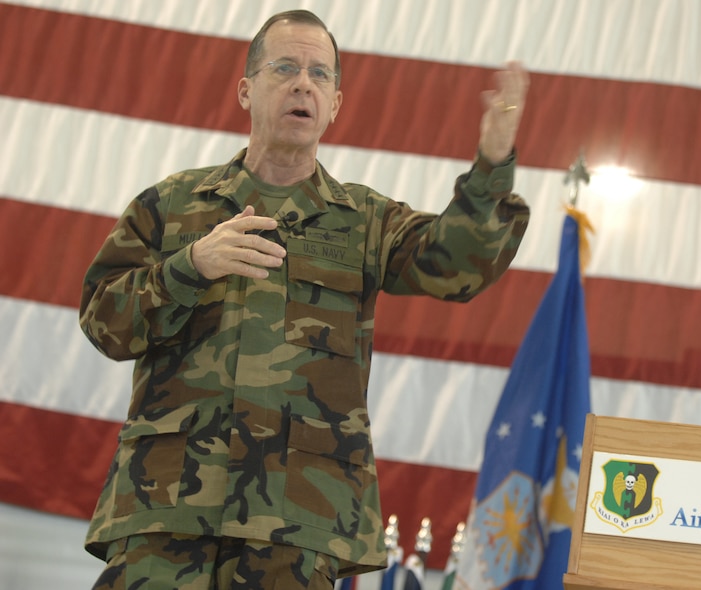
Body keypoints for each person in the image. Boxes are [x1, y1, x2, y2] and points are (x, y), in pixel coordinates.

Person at [80, 9, 530, 590]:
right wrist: (188, 267)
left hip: (296, 523)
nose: (303, 84)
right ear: (246, 89)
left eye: (320, 75)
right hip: (166, 508)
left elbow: (460, 267)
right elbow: (102, 321)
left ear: (336, 103)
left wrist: (492, 167)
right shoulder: (172, 206)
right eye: (285, 68)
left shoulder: (364, 221)